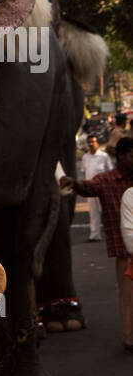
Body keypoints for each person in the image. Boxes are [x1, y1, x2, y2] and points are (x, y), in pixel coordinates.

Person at [61, 137, 133, 353]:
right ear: (121, 156)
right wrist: (72, 183)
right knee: (128, 296)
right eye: (132, 155)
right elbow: (86, 187)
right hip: (126, 252)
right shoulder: (107, 181)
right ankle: (129, 339)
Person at [82, 135, 114, 240]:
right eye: (89, 142)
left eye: (93, 142)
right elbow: (85, 171)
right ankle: (94, 235)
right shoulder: (85, 157)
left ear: (97, 143)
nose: (91, 144)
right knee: (93, 211)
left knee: (107, 211)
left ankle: (111, 233)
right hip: (90, 188)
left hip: (103, 187)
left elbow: (110, 170)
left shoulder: (104, 156)